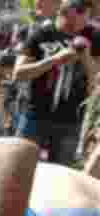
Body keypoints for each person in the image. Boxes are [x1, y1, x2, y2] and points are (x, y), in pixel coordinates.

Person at [13, 0, 100, 166]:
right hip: (35, 116)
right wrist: (55, 60)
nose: (83, 18)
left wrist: (86, 58)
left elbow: (95, 82)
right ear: (65, 10)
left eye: (87, 12)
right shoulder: (41, 34)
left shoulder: (95, 37)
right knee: (21, 168)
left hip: (70, 121)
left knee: (60, 176)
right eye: (79, 10)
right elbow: (18, 74)